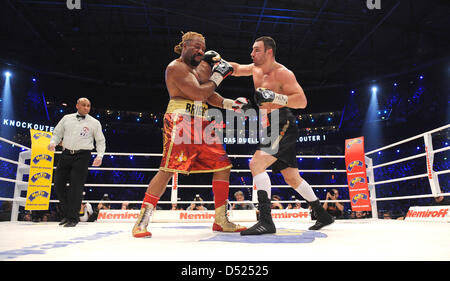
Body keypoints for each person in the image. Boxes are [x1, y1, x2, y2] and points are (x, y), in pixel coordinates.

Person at [132, 31, 251, 238]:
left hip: (203, 121)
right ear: (184, 45)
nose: (200, 51)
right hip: (180, 120)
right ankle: (142, 221)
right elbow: (198, 93)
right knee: (168, 169)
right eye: (196, 47)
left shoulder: (199, 70)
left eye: (203, 48)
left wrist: (231, 104)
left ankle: (221, 220)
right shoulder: (176, 67)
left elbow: (209, 95)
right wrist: (217, 76)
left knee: (223, 166)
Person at [228, 36, 334, 235]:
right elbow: (236, 68)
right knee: (292, 177)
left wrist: (276, 97)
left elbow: (302, 101)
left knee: (256, 164)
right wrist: (219, 63)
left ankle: (266, 221)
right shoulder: (255, 69)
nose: (252, 53)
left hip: (281, 121)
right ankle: (322, 214)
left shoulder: (283, 73)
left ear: (269, 52)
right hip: (268, 124)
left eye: (256, 50)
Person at [48, 97, 105, 227]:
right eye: (84, 105)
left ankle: (73, 218)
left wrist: (99, 156)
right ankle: (68, 214)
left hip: (83, 156)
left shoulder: (94, 122)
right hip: (66, 153)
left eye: (88, 105)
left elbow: (100, 141)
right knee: (58, 184)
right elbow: (57, 133)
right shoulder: (67, 118)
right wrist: (53, 143)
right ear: (77, 106)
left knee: (76, 186)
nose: (86, 108)